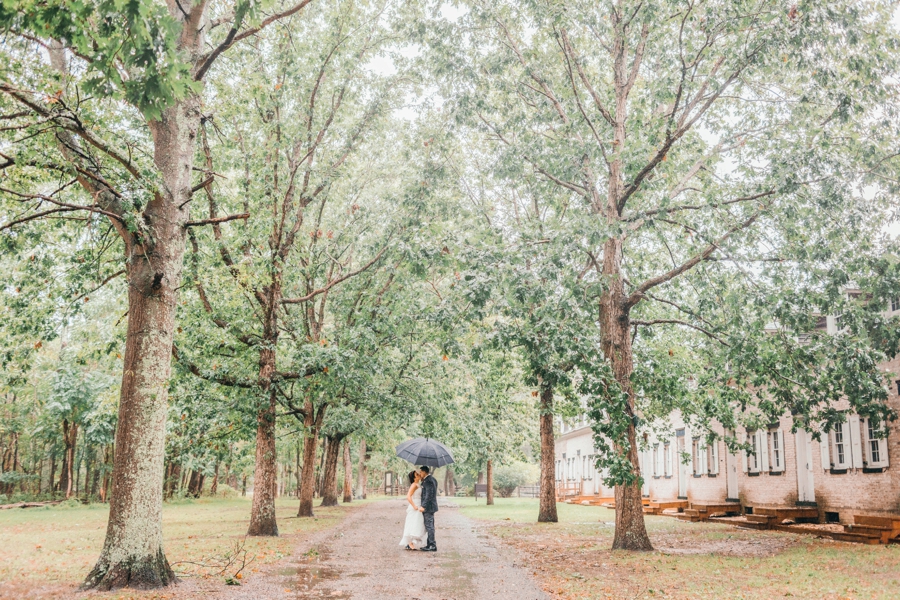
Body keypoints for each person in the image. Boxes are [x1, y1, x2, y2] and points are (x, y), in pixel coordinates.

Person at [399, 470, 428, 550]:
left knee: (417, 523)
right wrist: (414, 505)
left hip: (419, 505)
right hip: (415, 505)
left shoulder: (418, 485)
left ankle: (412, 541)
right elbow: (408, 496)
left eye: (419, 474)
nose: (419, 475)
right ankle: (409, 542)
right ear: (414, 477)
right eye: (417, 474)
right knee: (411, 522)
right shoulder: (414, 485)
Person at [418, 465, 438, 552]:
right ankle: (429, 544)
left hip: (429, 507)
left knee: (429, 526)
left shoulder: (428, 481)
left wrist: (423, 506)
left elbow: (429, 495)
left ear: (425, 472)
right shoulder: (432, 479)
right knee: (430, 526)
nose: (420, 474)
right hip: (431, 506)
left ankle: (432, 545)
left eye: (421, 472)